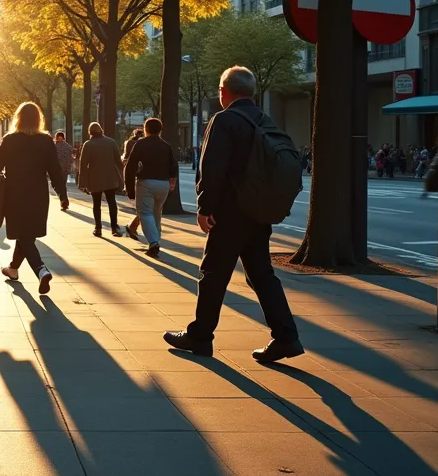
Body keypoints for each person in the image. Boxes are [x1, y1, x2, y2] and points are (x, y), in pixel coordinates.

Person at [163, 66, 303, 363]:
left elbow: (212, 167)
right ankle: (286, 337)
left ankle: (200, 337)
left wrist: (204, 208)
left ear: (224, 91)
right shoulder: (264, 120)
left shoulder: (224, 120)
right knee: (262, 275)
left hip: (229, 213)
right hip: (258, 211)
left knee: (213, 274)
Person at [0, 102, 67, 294]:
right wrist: (62, 194)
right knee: (27, 234)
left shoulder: (10, 140)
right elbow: (55, 170)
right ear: (38, 119)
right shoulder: (46, 141)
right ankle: (13, 269)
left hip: (15, 194)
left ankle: (41, 270)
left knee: (23, 234)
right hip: (39, 194)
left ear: (18, 118)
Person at [123, 117, 178, 256]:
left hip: (146, 182)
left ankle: (153, 242)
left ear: (145, 129)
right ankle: (156, 239)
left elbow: (130, 167)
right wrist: (172, 182)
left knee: (145, 213)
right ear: (160, 130)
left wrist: (129, 189)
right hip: (163, 184)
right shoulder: (166, 145)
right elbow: (173, 165)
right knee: (156, 212)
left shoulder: (140, 144)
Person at [78, 122, 123, 237]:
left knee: (96, 203)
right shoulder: (111, 142)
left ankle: (98, 228)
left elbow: (83, 164)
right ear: (101, 130)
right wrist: (122, 178)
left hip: (94, 178)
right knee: (111, 202)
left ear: (90, 132)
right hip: (110, 177)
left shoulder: (88, 144)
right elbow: (119, 162)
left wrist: (82, 183)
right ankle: (114, 228)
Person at [53, 131, 74, 210]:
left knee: (56, 185)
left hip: (56, 169)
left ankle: (63, 201)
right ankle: (64, 202)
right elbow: (71, 159)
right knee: (62, 186)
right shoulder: (68, 146)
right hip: (64, 169)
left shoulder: (53, 146)